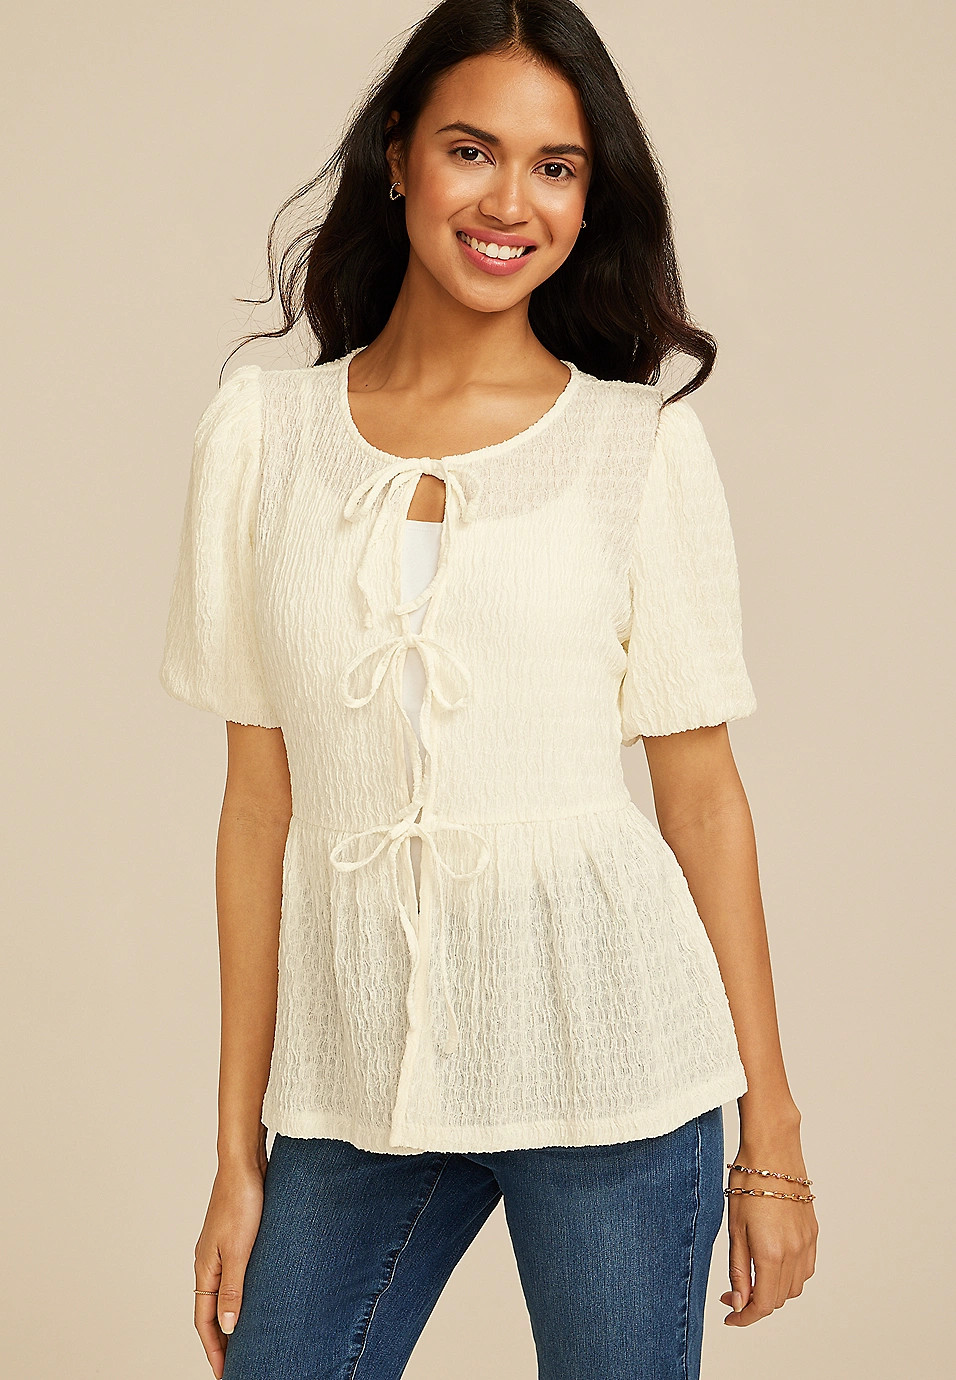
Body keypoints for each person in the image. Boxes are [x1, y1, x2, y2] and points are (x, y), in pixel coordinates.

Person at [159, 1, 818, 1376]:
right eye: (473, 150)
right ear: (399, 155)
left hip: (610, 1055)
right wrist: (235, 1153)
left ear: (588, 200)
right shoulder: (263, 438)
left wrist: (773, 1135)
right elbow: (257, 809)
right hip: (355, 1075)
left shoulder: (636, 450)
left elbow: (702, 799)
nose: (510, 201)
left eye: (555, 167)